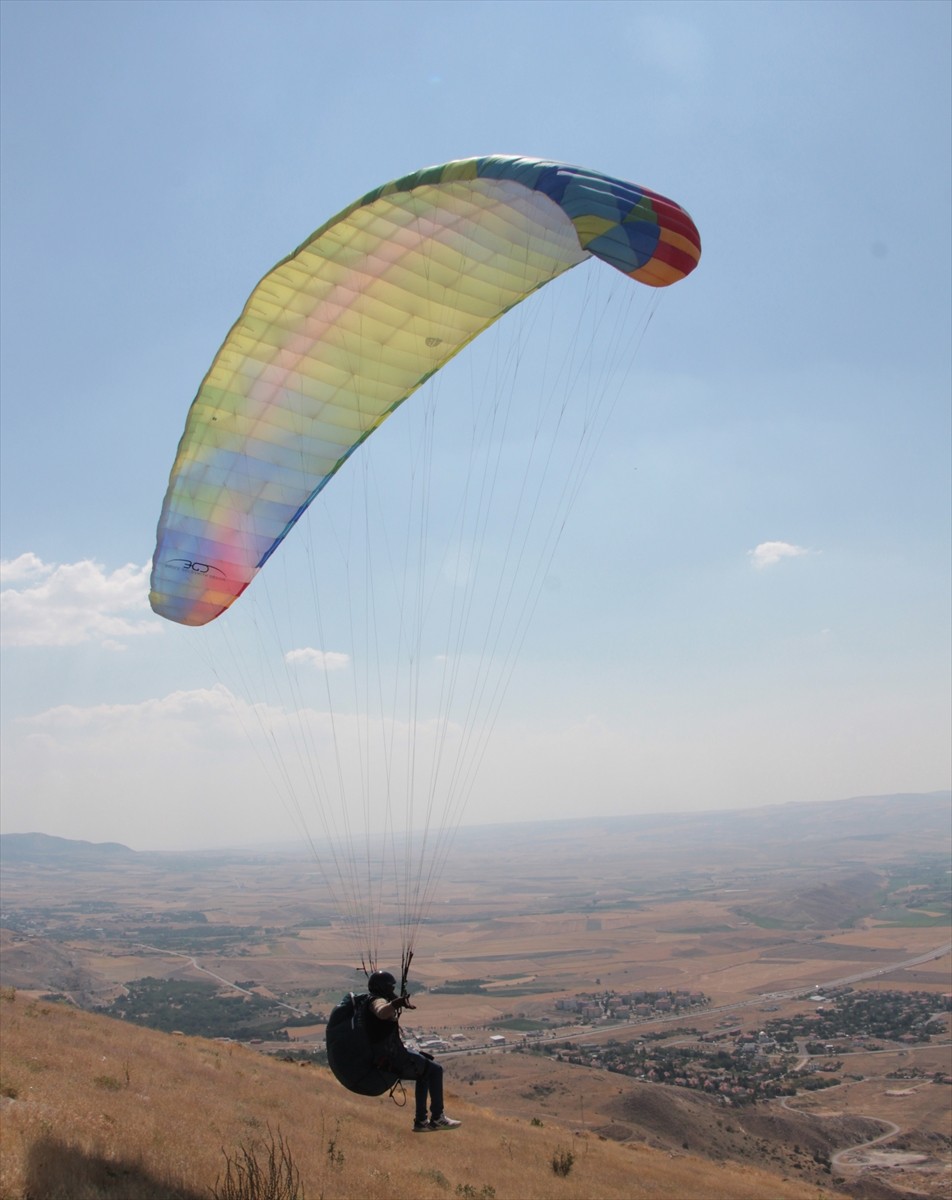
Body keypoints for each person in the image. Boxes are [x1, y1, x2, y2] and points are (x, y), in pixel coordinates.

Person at [365, 970, 461, 1132]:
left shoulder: (371, 1000)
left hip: (388, 1054)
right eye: (390, 987)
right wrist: (395, 1004)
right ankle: (437, 1117)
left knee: (424, 1071)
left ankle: (421, 1121)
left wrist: (399, 1002)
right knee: (436, 1070)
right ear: (383, 988)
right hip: (389, 1057)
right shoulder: (375, 1001)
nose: (392, 990)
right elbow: (381, 1012)